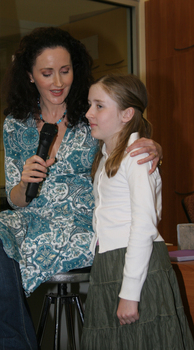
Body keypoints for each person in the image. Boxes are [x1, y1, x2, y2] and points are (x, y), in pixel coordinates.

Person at [0, 27, 162, 350]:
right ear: (30, 76)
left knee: (14, 249)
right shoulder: (15, 125)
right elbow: (17, 202)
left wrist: (151, 145)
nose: (58, 82)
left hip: (81, 222)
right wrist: (22, 183)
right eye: (47, 73)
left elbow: (129, 135)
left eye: (65, 71)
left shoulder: (92, 115)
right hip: (32, 218)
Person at [81, 73, 194, 350]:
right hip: (111, 263)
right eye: (89, 104)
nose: (88, 113)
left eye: (99, 105)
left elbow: (143, 226)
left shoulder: (136, 156)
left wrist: (130, 292)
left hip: (135, 267)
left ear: (126, 113)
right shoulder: (108, 156)